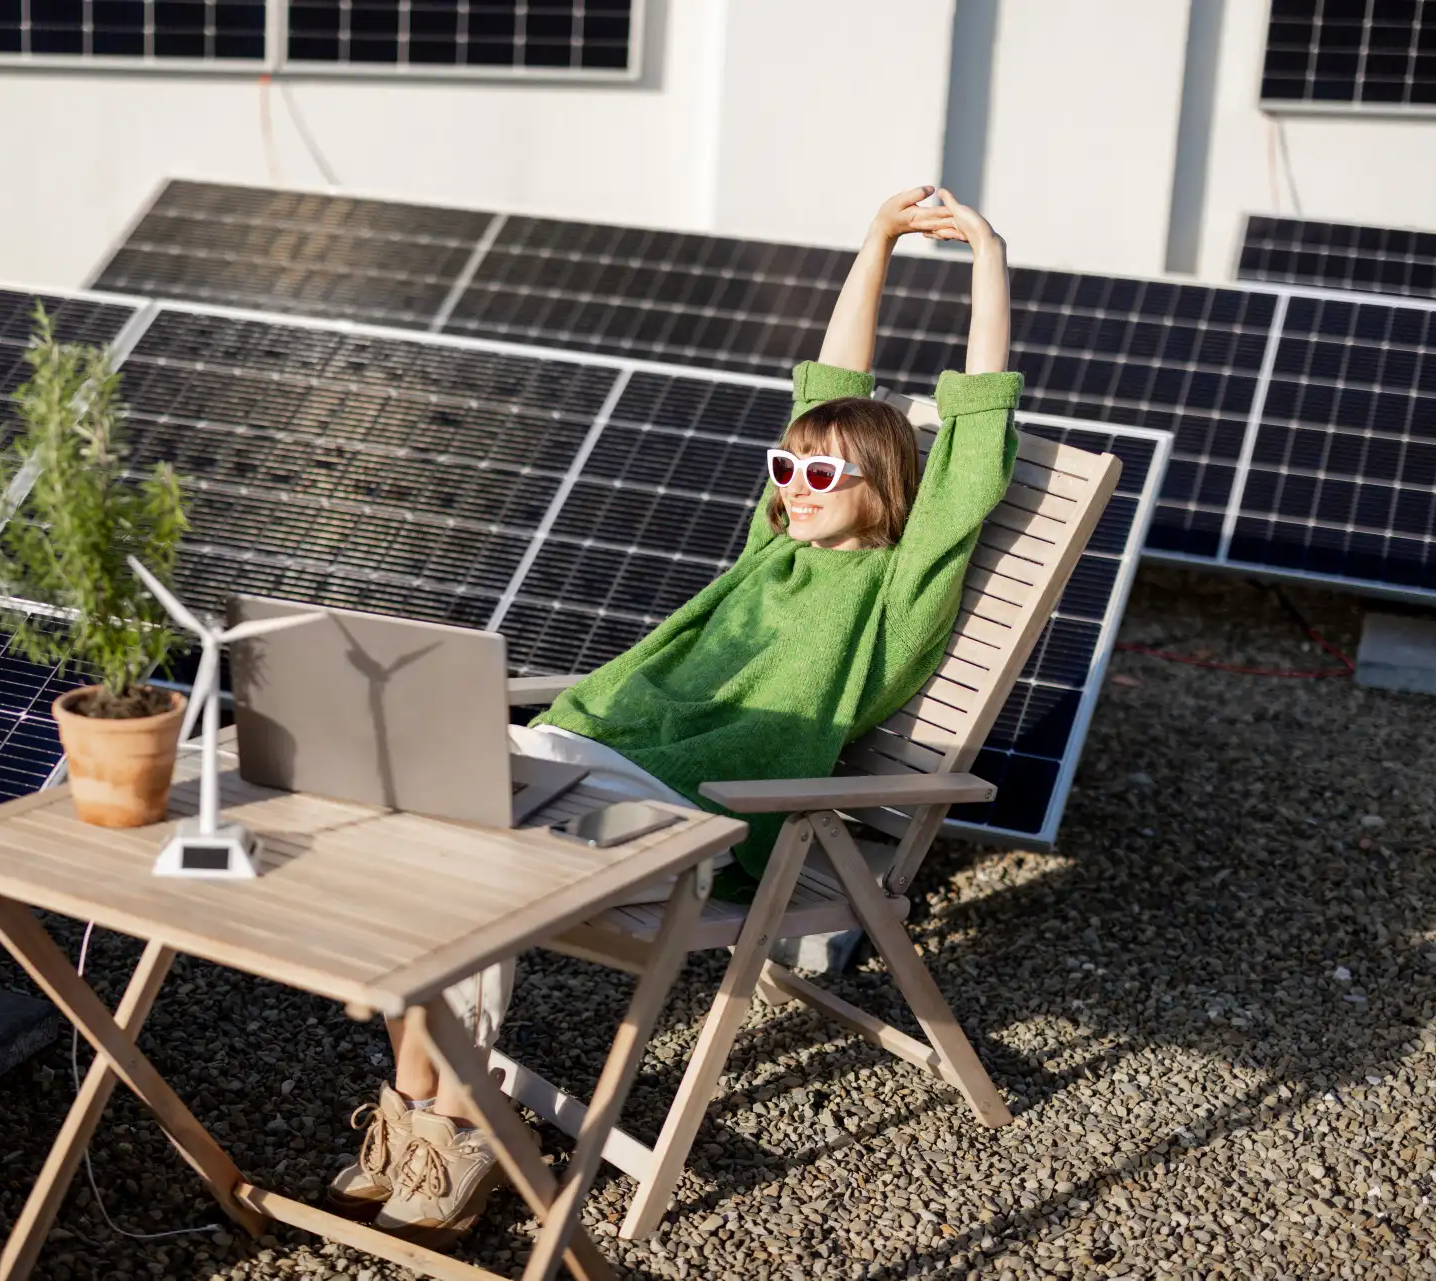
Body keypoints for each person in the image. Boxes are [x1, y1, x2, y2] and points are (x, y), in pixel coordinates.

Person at [327, 186, 1022, 1248]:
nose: (794, 486)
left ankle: (457, 1121)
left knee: (474, 859)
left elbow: (976, 431)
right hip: (575, 758)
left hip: (680, 815)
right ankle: (426, 1104)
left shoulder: (898, 590)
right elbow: (828, 384)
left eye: (821, 473)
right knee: (421, 818)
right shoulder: (773, 551)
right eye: (785, 467)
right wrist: (873, 242)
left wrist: (984, 252)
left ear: (883, 489)